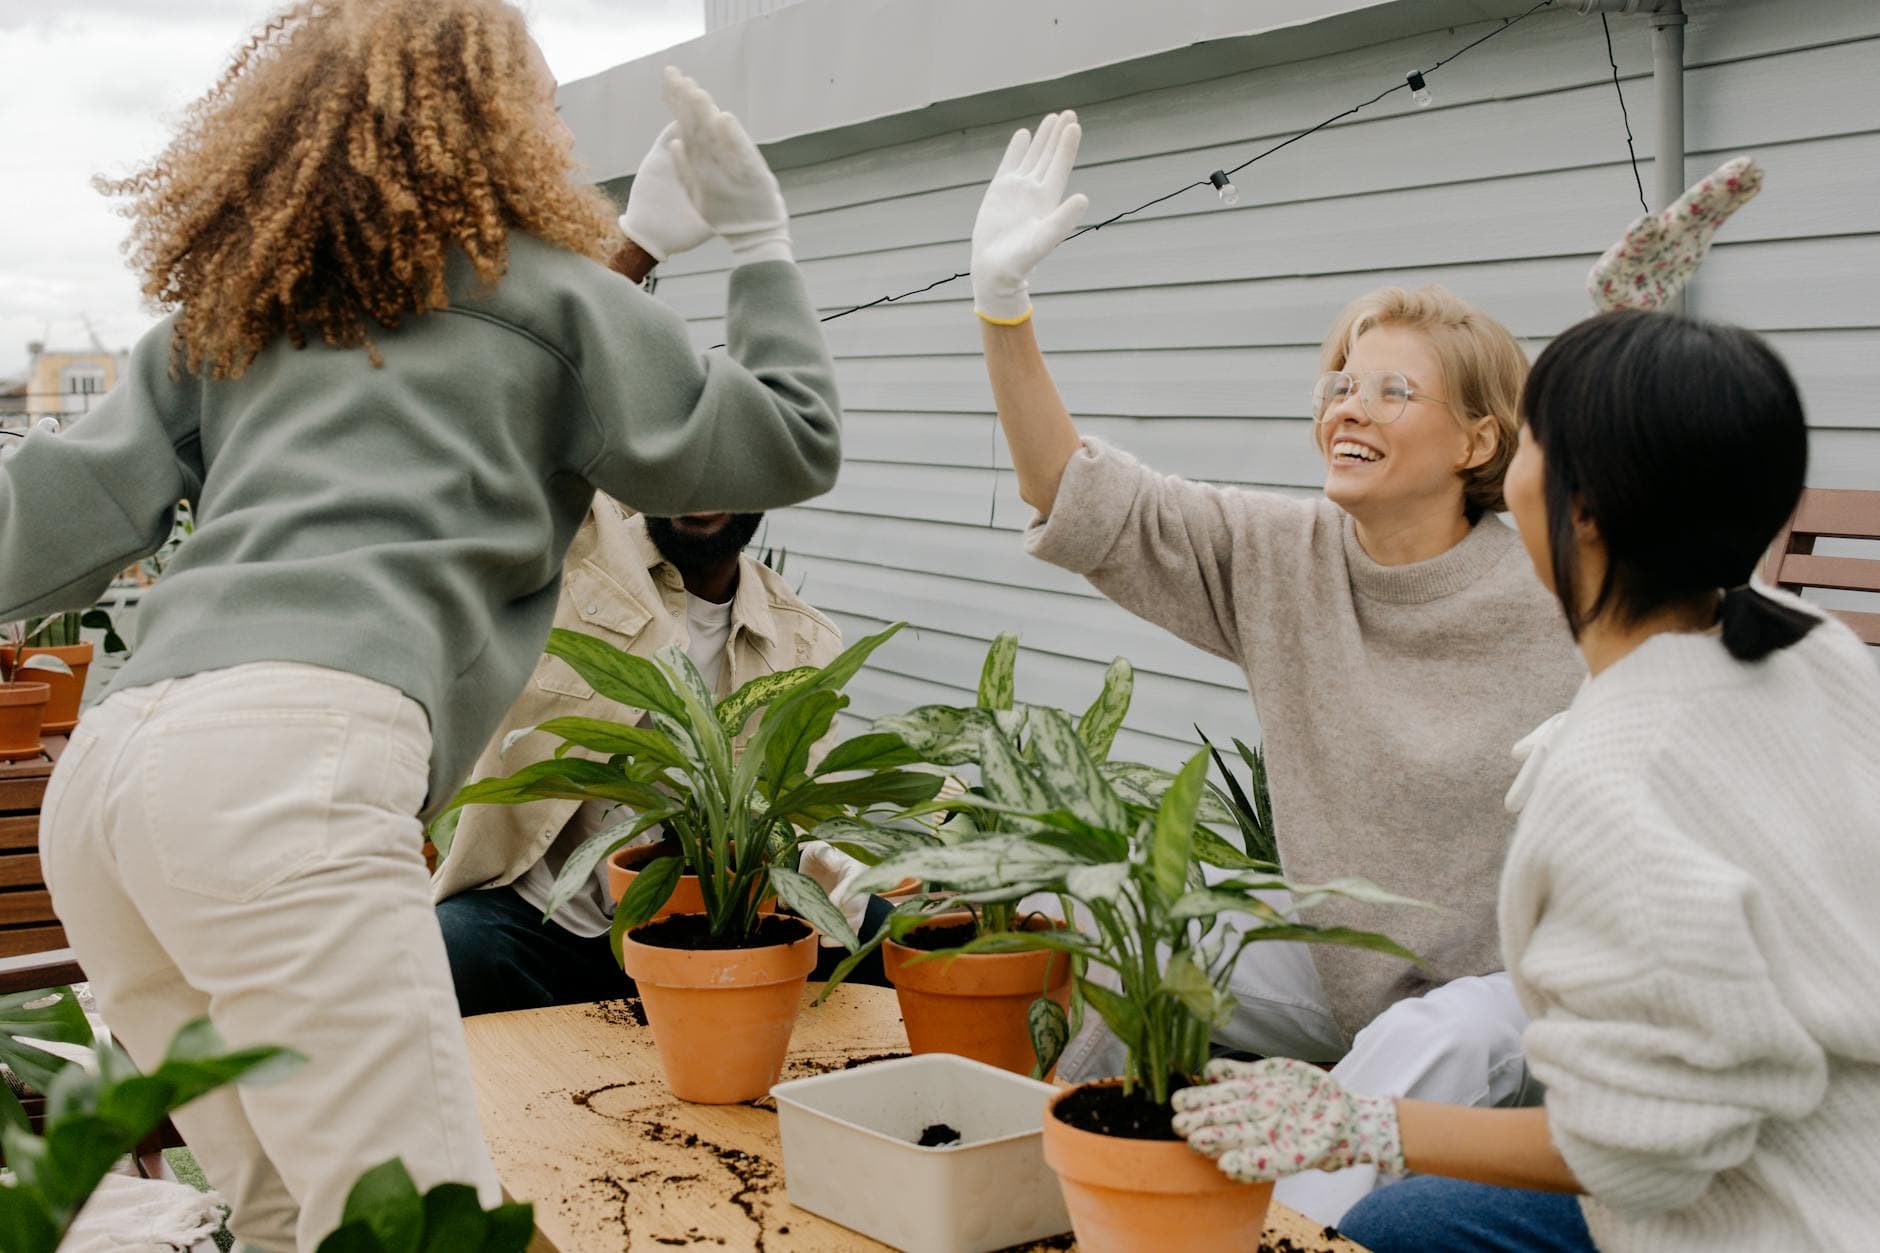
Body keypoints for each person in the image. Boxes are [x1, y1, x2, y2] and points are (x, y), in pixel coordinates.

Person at [3, 1, 841, 1246]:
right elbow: (786, 438)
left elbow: (51, 520)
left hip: (111, 784)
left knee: (281, 1211)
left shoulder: (240, 309)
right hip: (289, 768)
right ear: (495, 129)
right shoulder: (555, 298)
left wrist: (634, 249)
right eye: (541, 108)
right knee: (418, 1227)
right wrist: (761, 242)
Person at [967, 110, 1586, 1224]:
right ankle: (1045, 1193)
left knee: (1427, 1034)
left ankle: (1281, 1230)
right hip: (1344, 965)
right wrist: (1001, 309)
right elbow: (1074, 493)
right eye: (1339, 385)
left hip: (1515, 1003)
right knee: (1162, 933)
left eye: (1391, 392)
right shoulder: (1279, 554)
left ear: (1477, 442)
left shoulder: (1556, 581)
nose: (1347, 407)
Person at [1173, 310, 1880, 1252]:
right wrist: (1638, 346)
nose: (1508, 469)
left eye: (1532, 441)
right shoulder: (1813, 647)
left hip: (1770, 1217)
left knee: (1400, 1226)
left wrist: (1363, 1121)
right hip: (1848, 1131)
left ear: (1582, 509)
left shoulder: (1602, 785)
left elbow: (1646, 1154)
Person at [435, 503, 891, 1013]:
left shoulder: (805, 644)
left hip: (714, 925)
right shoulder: (571, 551)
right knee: (446, 949)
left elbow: (792, 813)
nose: (702, 485)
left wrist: (821, 859)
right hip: (548, 920)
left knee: (890, 939)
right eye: (685, 456)